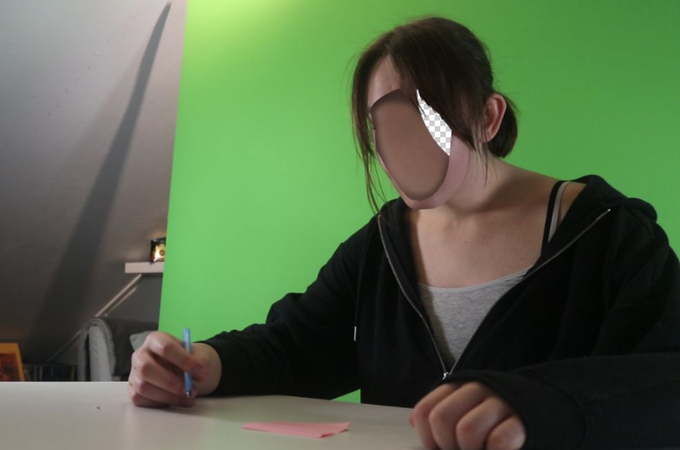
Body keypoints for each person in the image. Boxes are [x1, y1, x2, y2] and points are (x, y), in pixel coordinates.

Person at [128, 15, 680, 450]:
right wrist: (205, 364)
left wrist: (539, 404)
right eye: (384, 126)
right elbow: (300, 345)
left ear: (488, 117)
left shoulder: (609, 233)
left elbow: (663, 381)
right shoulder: (382, 244)